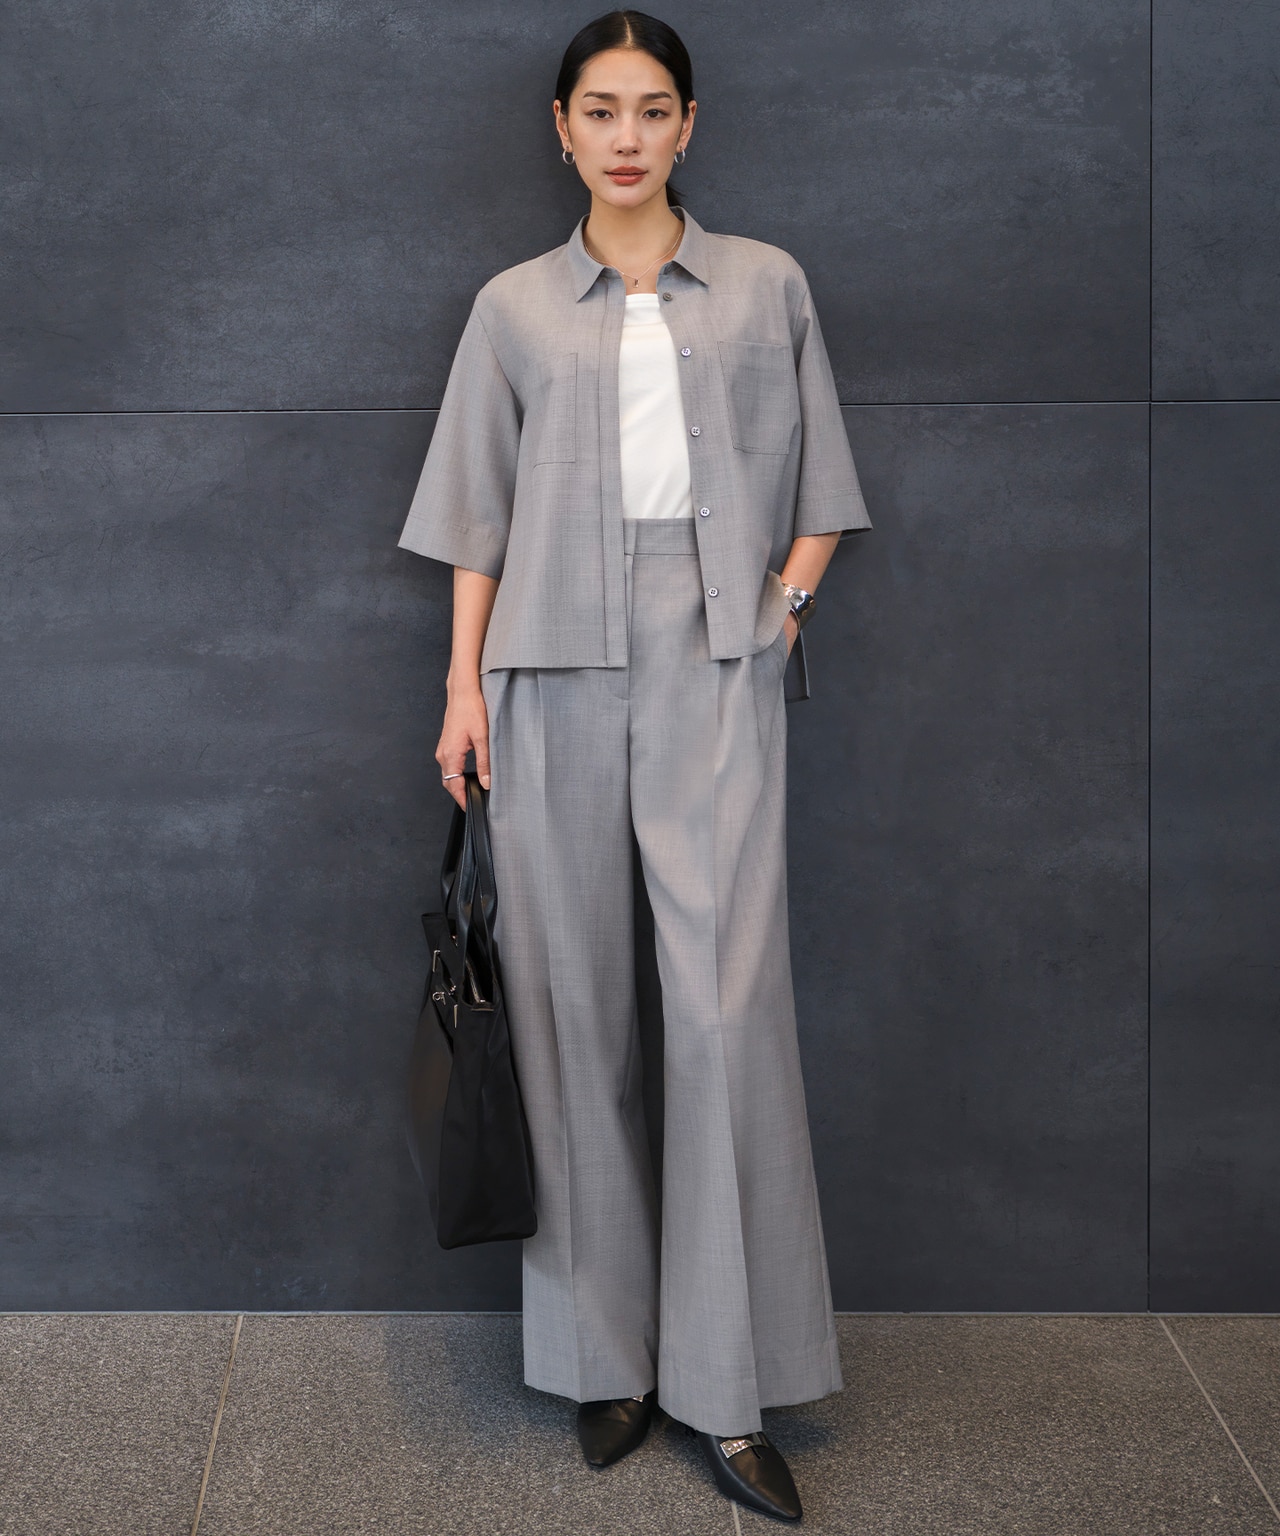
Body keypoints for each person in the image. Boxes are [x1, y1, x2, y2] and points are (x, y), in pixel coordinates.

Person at [398, 10, 870, 1522]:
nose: (625, 135)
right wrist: (462, 691)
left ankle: (727, 1389)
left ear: (688, 127)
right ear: (561, 128)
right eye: (599, 109)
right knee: (569, 1010)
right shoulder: (514, 308)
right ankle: (606, 1361)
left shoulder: (768, 285)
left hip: (719, 658)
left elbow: (824, 488)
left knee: (722, 1017)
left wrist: (782, 611)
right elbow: (474, 517)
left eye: (652, 109)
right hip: (546, 662)